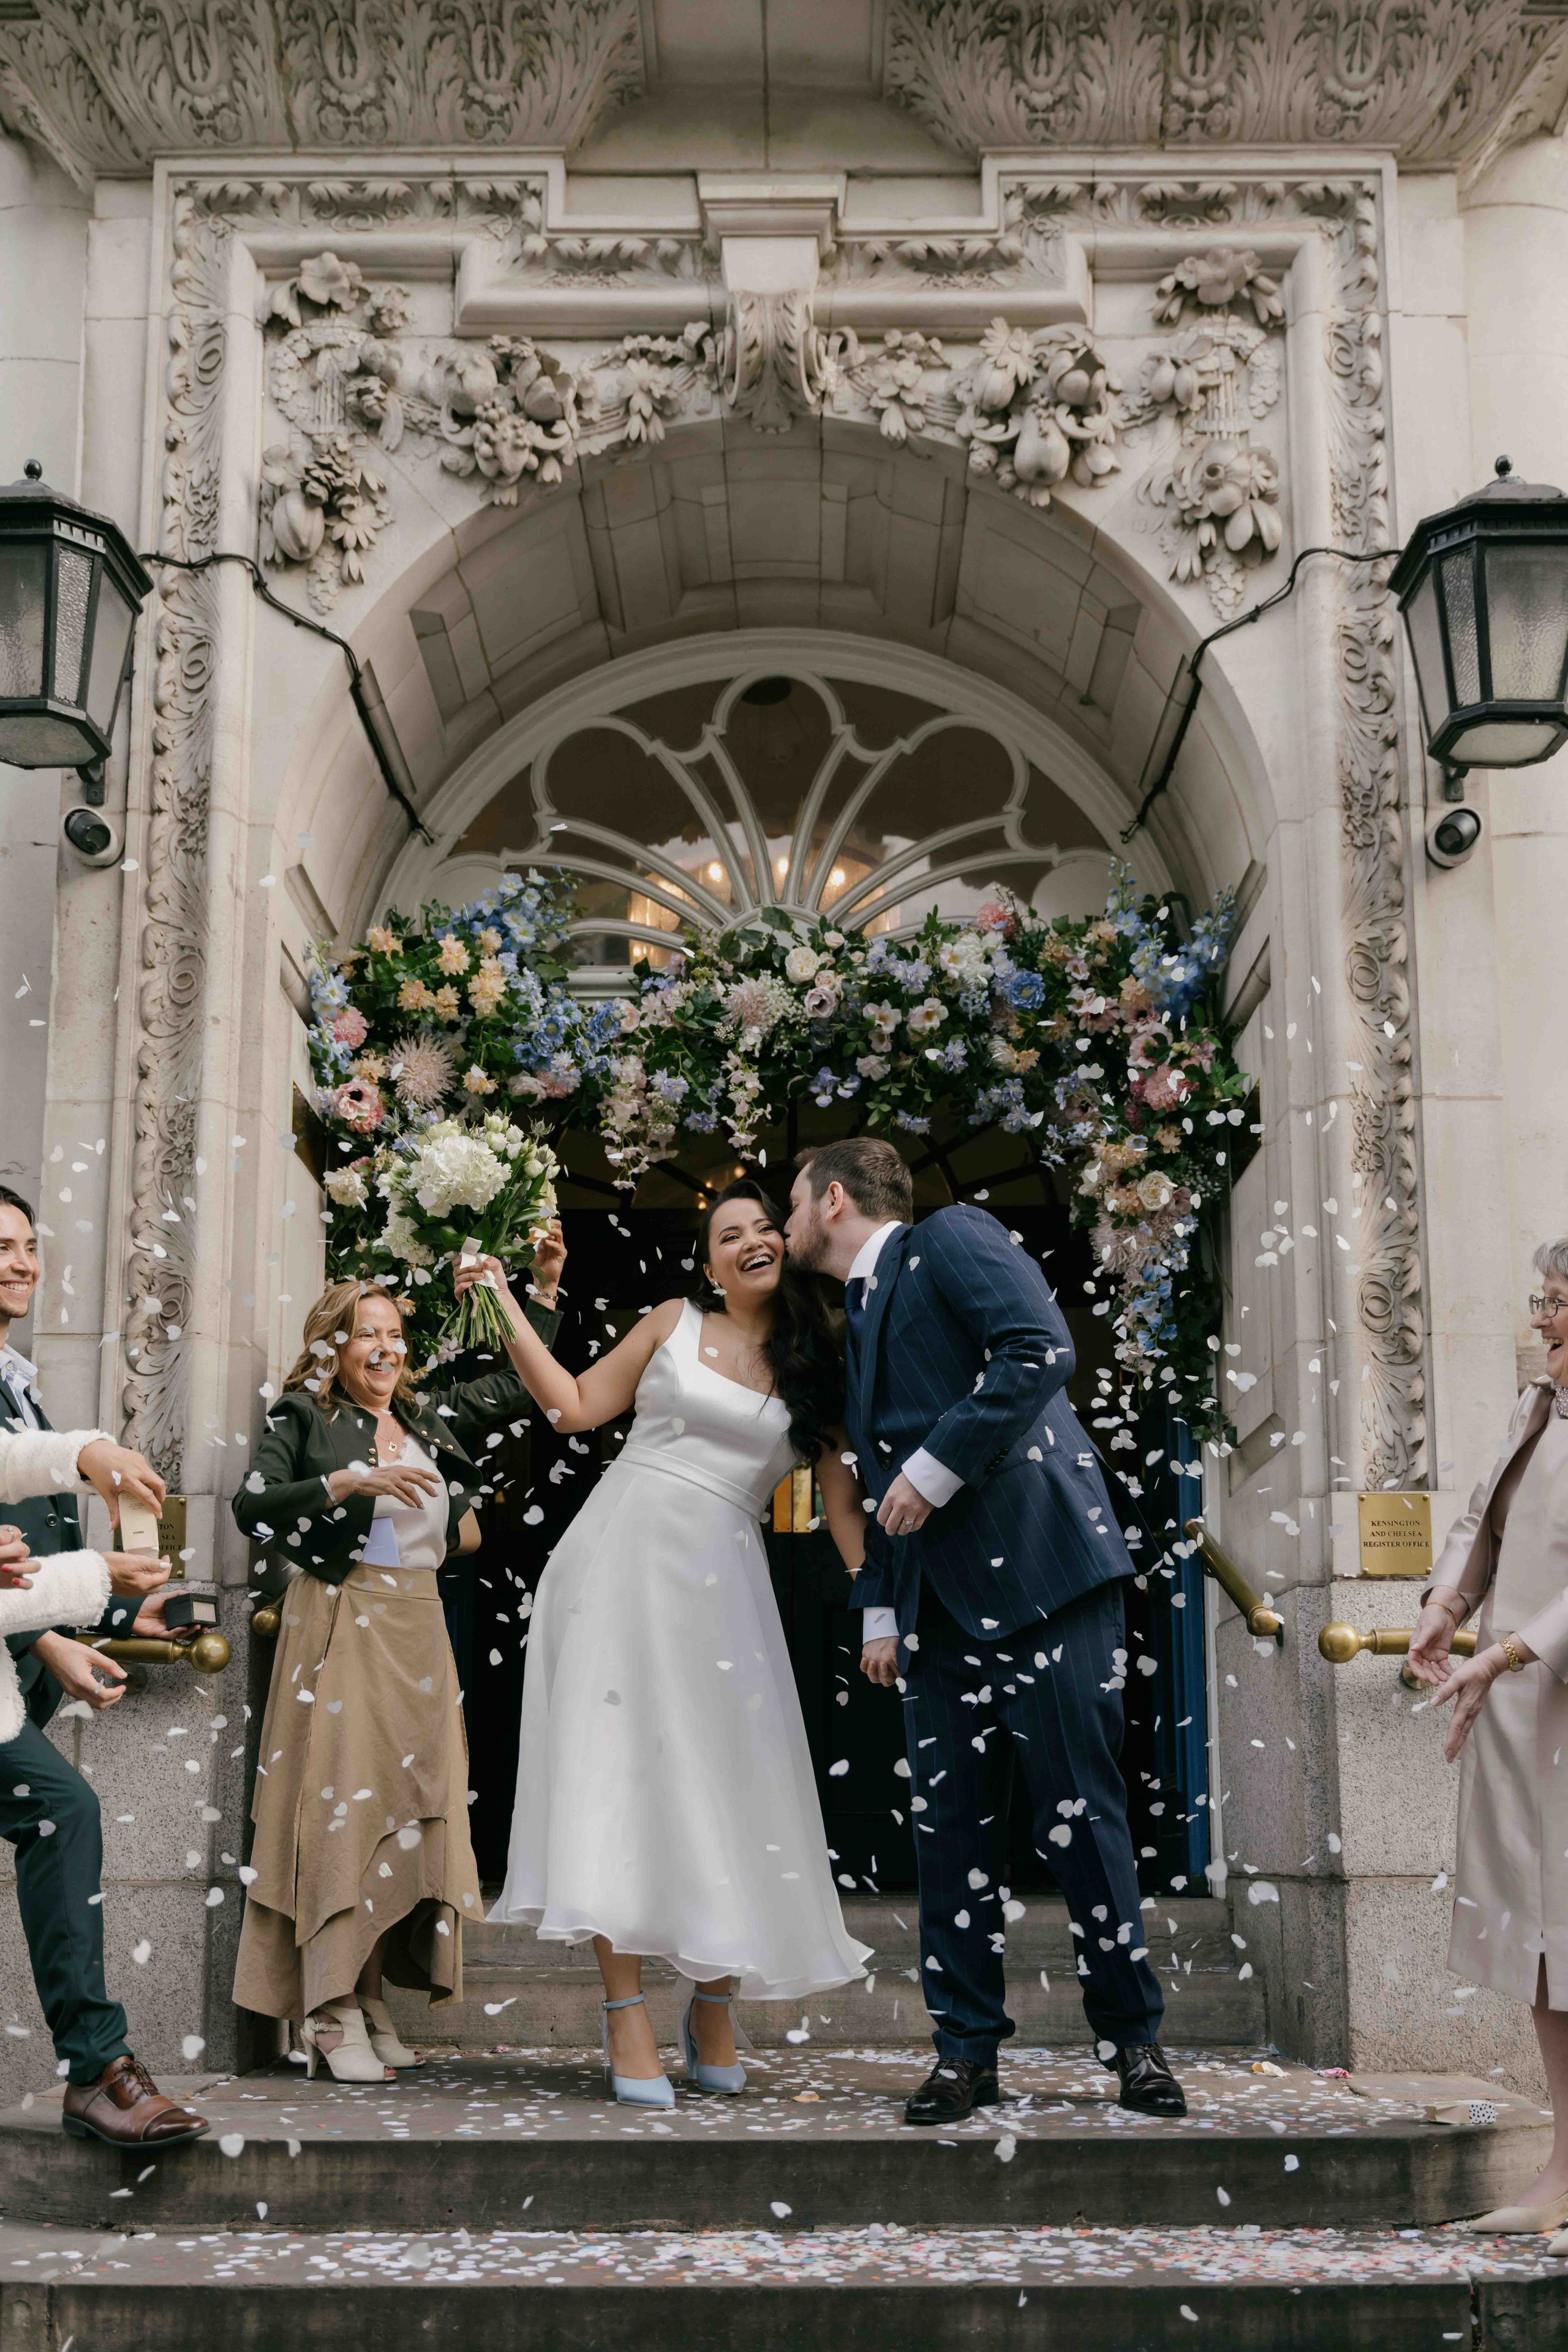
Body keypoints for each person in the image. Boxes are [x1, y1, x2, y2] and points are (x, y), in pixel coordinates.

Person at [783, 1138, 1184, 2126]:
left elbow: (1040, 1350)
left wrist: (934, 1471)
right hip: (939, 1614)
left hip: (1050, 1580)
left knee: (1083, 1819)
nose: (784, 1225)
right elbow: (884, 1475)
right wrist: (884, 1608)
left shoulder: (950, 1237)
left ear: (832, 1200)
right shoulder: (858, 1314)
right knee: (949, 1835)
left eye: (790, 1205)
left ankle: (1134, 2044)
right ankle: (964, 2055)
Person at [486, 1178, 872, 2107]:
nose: (750, 1241)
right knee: (616, 1775)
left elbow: (843, 1507)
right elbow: (575, 1408)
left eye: (763, 1228)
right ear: (709, 1266)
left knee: (726, 1782)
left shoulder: (820, 1363)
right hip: (615, 1564)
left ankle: (714, 2006)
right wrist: (502, 1302)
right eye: (728, 1234)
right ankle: (625, 2013)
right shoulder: (669, 1321)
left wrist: (880, 1601)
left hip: (724, 1585)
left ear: (786, 1246)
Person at [230, 1250, 561, 2081]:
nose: (385, 1349)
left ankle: (369, 1992)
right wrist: (344, 1483)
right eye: (364, 1335)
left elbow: (517, 1387)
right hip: (343, 1619)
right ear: (333, 1346)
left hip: (419, 1626)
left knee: (406, 1815)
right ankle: (328, 2005)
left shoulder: (425, 1416)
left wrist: (537, 1294)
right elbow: (252, 1507)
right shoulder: (304, 1414)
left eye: (394, 1335)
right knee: (344, 1807)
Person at [0, 1181, 209, 2149]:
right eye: (0, 1246)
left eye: (28, 1244)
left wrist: (98, 1619)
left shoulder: (20, 1378)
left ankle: (96, 2069)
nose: (21, 1262)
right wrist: (95, 1586)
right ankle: (96, 2068)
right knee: (64, 1808)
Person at [1408, 1239, 1568, 2240]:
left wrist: (1505, 1654)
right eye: (1541, 1297)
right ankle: (1565, 2168)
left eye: (1557, 1300)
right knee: (1546, 1948)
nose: (1540, 1317)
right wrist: (1445, 1605)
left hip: (1544, 1686)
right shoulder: (1538, 1405)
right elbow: (1484, 1519)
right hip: (1521, 1710)